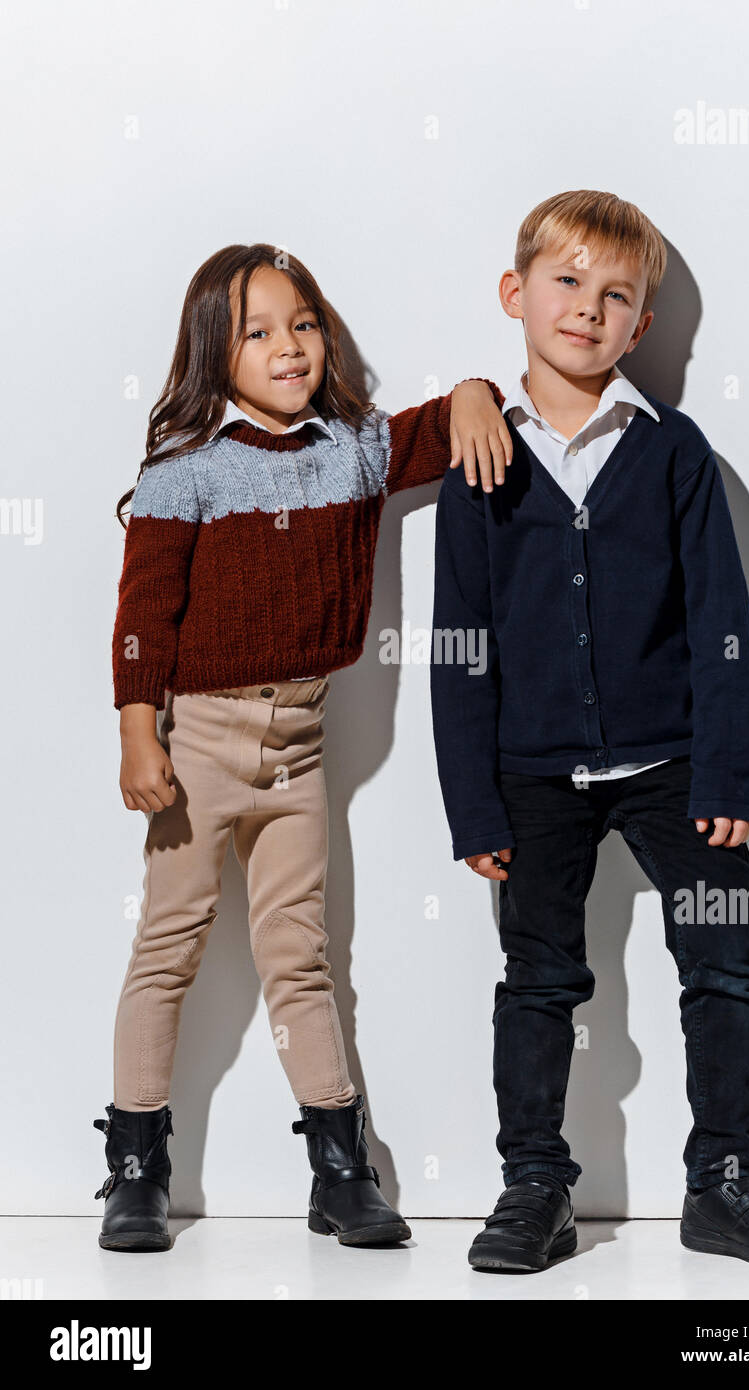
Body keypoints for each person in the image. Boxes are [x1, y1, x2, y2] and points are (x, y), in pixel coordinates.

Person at [429, 189, 749, 1272]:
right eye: (565, 283)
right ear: (514, 294)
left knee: (725, 966)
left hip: (674, 768)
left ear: (639, 326)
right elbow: (457, 639)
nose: (587, 309)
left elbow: (722, 624)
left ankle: (721, 1181)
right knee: (538, 981)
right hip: (530, 776)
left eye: (615, 296)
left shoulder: (673, 452)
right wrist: (472, 798)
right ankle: (533, 1187)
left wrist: (727, 773)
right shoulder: (480, 456)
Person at [94, 242, 512, 1252]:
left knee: (301, 955)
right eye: (258, 331)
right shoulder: (185, 471)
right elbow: (144, 611)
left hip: (300, 746)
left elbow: (430, 434)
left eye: (303, 323)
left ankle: (339, 1167)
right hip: (198, 741)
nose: (289, 346)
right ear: (213, 353)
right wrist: (137, 732)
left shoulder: (352, 449)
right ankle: (134, 1167)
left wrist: (474, 387)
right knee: (168, 944)